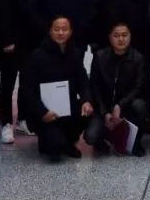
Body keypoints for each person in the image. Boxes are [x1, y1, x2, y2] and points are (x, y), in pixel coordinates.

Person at [20, 16, 95, 162]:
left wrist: (86, 100)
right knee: (54, 149)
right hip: (44, 113)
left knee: (88, 112)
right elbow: (27, 91)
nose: (61, 33)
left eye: (64, 29)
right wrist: (42, 112)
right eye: (57, 29)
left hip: (68, 109)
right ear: (50, 31)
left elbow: (83, 81)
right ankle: (49, 141)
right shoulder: (37, 56)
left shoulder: (75, 54)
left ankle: (69, 141)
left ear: (70, 32)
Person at [0, 0, 41, 144]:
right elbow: (2, 15)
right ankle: (6, 122)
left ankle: (23, 119)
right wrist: (6, 41)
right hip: (12, 44)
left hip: (33, 43)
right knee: (7, 84)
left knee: (27, 83)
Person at [86, 22, 149, 156]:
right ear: (109, 37)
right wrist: (104, 113)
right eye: (116, 35)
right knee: (91, 137)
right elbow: (94, 87)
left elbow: (139, 87)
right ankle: (106, 138)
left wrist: (120, 105)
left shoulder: (138, 58)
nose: (121, 39)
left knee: (140, 105)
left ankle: (135, 141)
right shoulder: (99, 56)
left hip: (126, 108)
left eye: (124, 35)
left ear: (130, 36)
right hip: (103, 109)